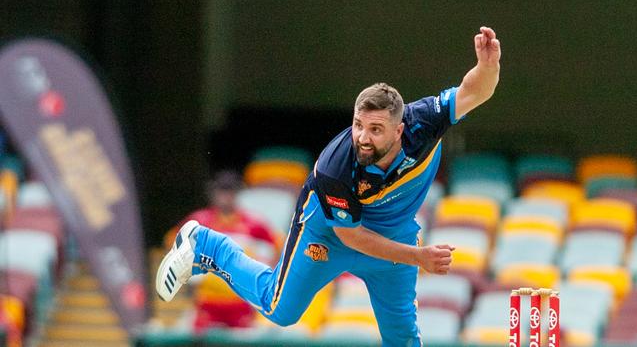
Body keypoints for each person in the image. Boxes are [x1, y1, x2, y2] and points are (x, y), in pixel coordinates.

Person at [156, 26, 501, 345]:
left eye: (376, 130)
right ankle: (208, 246)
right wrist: (417, 257)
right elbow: (349, 236)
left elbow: (474, 91)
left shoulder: (425, 122)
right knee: (281, 311)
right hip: (329, 232)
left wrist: (488, 66)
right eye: (358, 125)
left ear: (399, 130)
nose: (363, 138)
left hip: (393, 236)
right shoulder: (335, 167)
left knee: (402, 337)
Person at [162, 170, 278, 330]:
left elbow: (278, 246)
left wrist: (263, 273)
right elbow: (171, 241)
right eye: (221, 191)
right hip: (207, 301)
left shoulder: (253, 224)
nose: (225, 196)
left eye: (229, 191)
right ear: (214, 193)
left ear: (237, 194)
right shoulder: (200, 220)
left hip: (241, 301)